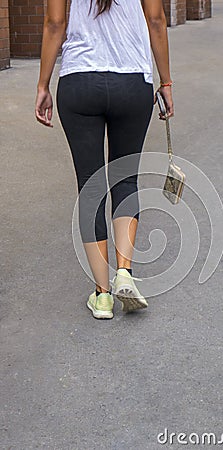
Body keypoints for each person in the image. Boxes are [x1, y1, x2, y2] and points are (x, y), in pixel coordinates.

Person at [35, 0, 174, 319]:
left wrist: (43, 85)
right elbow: (156, 20)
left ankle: (102, 296)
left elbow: (54, 24)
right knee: (126, 179)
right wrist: (165, 82)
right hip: (132, 82)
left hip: (80, 81)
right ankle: (124, 272)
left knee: (91, 185)